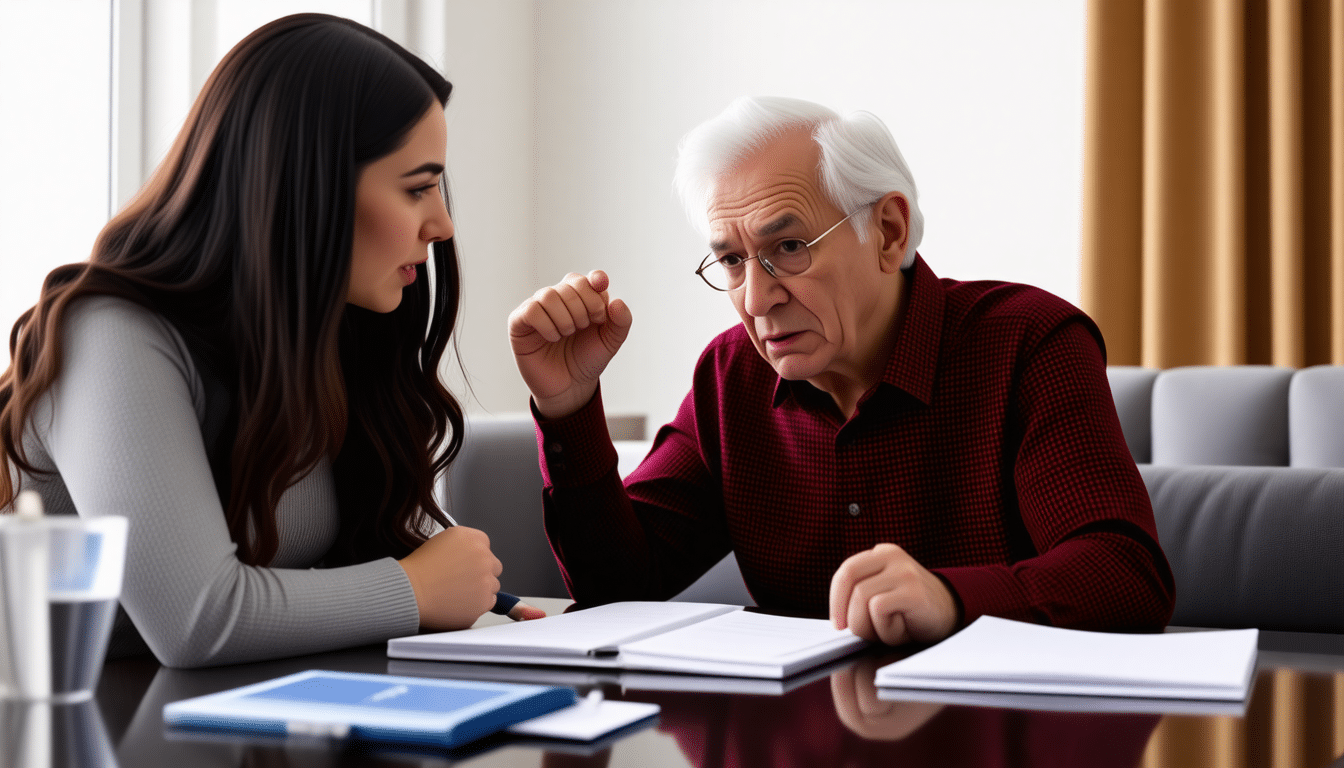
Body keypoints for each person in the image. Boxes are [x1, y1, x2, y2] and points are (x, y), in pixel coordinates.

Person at [509, 96, 1175, 646]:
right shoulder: (730, 375)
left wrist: (950, 599)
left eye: (788, 247)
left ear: (888, 231)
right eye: (733, 261)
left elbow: (1125, 574)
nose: (755, 299)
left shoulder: (1029, 343)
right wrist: (570, 405)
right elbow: (617, 589)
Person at [0, 13, 539, 669]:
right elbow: (196, 620)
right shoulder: (107, 333)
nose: (443, 225)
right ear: (308, 187)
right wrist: (415, 588)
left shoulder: (318, 346)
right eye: (418, 188)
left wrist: (438, 586)